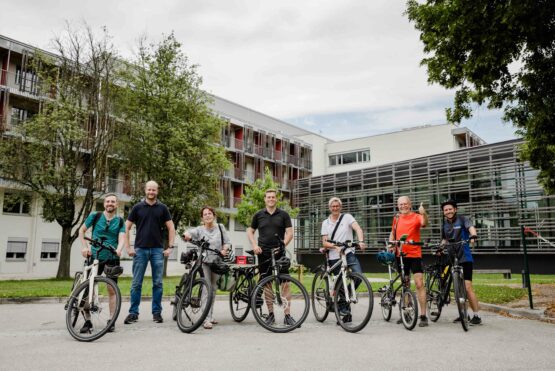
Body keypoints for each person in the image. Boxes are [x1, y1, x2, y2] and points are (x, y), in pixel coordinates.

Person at [124, 180, 175, 325]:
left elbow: (171, 227)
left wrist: (170, 247)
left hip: (158, 250)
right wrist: (128, 247)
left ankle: (157, 313)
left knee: (158, 283)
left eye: (154, 190)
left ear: (157, 191)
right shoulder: (137, 207)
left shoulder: (163, 208)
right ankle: (133, 313)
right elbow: (126, 227)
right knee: (136, 284)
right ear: (145, 190)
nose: (151, 192)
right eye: (149, 190)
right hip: (140, 250)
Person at [246, 188, 294, 326]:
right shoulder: (258, 214)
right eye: (269, 197)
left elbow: (290, 233)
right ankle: (271, 314)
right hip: (263, 253)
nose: (271, 199)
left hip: (279, 253)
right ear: (265, 199)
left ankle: (287, 315)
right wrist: (254, 245)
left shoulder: (284, 214)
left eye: (273, 197)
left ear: (276, 199)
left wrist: (283, 244)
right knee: (267, 284)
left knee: (285, 284)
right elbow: (250, 231)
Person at [78, 193, 125, 333]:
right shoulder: (95, 215)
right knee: (89, 289)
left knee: (112, 289)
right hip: (95, 257)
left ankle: (111, 320)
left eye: (113, 202)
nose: (110, 204)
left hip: (112, 257)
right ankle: (87, 321)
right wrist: (85, 247)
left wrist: (119, 249)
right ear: (104, 203)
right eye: (108, 201)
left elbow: (122, 237)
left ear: (116, 205)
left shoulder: (120, 220)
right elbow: (82, 230)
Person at [183, 206, 231, 329]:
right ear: (202, 217)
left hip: (217, 262)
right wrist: (187, 235)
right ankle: (205, 318)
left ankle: (209, 315)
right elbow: (188, 232)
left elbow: (227, 242)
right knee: (206, 288)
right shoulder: (199, 229)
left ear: (214, 215)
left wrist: (225, 249)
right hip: (204, 262)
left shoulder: (221, 228)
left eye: (210, 213)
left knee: (213, 289)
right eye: (205, 214)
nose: (208, 215)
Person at [321, 197, 366, 323]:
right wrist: (335, 247)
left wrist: (361, 241)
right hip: (334, 256)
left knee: (358, 276)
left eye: (337, 206)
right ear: (329, 208)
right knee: (340, 284)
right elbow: (324, 242)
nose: (335, 208)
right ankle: (345, 313)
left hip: (348, 253)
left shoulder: (347, 217)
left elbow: (358, 229)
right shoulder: (326, 223)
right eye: (333, 206)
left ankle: (343, 300)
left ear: (340, 207)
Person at [389, 196, 429, 327]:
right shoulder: (396, 218)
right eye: (400, 204)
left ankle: (423, 315)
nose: (403, 206)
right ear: (398, 206)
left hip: (414, 254)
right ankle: (406, 312)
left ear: (410, 205)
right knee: (405, 284)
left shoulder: (417, 216)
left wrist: (423, 213)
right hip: (400, 255)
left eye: (405, 204)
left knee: (419, 283)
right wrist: (391, 244)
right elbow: (393, 233)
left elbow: (424, 223)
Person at [440, 199, 481, 325]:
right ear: (443, 212)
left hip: (465, 258)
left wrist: (473, 236)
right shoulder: (444, 225)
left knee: (467, 287)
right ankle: (463, 314)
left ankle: (476, 316)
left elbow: (471, 228)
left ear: (455, 209)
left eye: (450, 209)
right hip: (452, 258)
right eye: (446, 210)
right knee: (457, 286)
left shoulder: (463, 219)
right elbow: (444, 240)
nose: (448, 211)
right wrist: (440, 248)